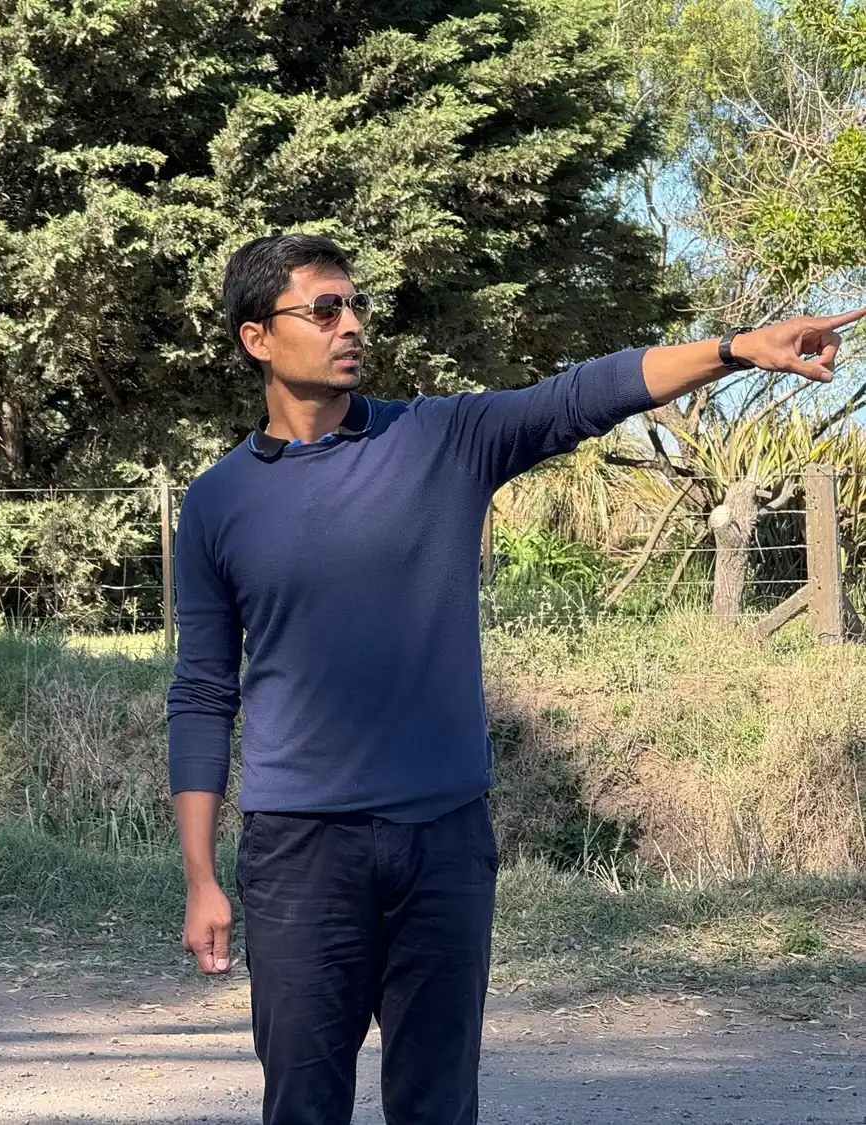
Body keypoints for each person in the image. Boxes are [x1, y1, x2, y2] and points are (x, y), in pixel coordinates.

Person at [166, 233, 864, 1125]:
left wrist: (735, 348)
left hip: (444, 846)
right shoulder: (220, 501)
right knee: (304, 1104)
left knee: (438, 1105)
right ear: (257, 338)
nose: (352, 325)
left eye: (358, 305)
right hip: (299, 852)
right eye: (325, 308)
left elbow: (583, 393)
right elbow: (200, 691)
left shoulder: (439, 440)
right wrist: (199, 873)